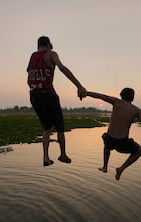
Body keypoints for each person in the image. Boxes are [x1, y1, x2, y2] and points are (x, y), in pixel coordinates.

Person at [83, 88, 141, 180]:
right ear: (132, 98)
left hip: (110, 140)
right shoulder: (136, 110)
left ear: (121, 95)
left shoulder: (116, 102)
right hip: (123, 143)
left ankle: (105, 166)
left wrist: (86, 93)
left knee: (107, 142)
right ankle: (121, 168)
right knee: (139, 151)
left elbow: (101, 96)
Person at [27, 36, 86, 166]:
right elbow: (62, 68)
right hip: (48, 95)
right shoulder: (51, 54)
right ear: (48, 45)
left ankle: (45, 158)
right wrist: (79, 85)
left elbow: (29, 76)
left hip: (34, 97)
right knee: (60, 127)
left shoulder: (32, 56)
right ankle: (63, 155)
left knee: (46, 128)